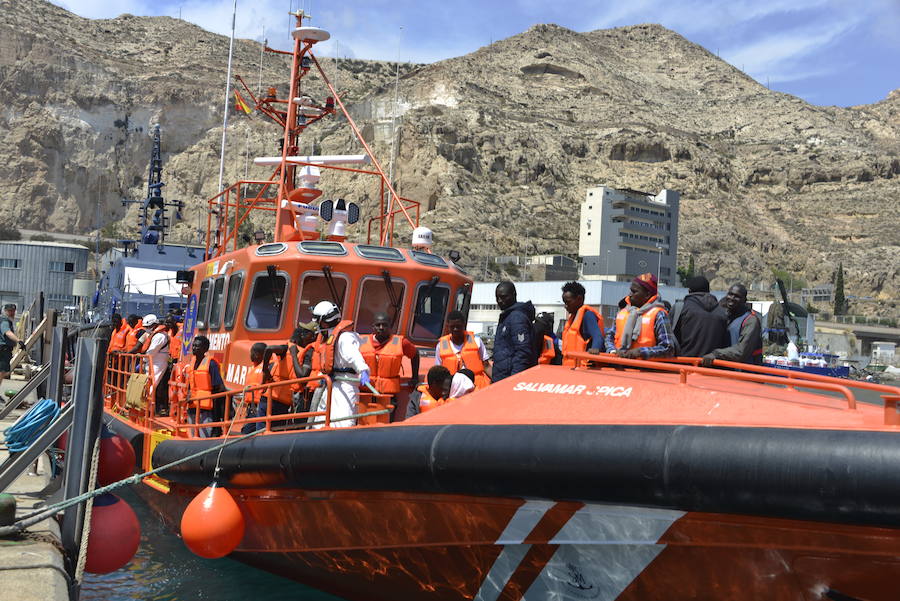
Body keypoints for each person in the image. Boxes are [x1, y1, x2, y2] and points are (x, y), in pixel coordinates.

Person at [311, 301, 370, 428]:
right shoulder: (329, 338)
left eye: (318, 322)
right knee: (320, 419)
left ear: (326, 321)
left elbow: (354, 356)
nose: (317, 325)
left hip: (346, 385)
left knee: (344, 420)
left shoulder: (345, 338)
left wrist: (363, 370)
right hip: (331, 383)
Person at [359, 311, 420, 416]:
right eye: (378, 325)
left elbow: (415, 355)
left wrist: (415, 377)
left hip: (388, 395)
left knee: (385, 424)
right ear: (373, 327)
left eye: (385, 325)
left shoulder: (401, 342)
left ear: (390, 326)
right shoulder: (360, 341)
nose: (381, 327)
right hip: (366, 392)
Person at [605, 273, 676, 359]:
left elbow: (668, 348)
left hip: (645, 369)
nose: (630, 295)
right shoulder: (623, 312)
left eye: (634, 292)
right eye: (630, 291)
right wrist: (612, 350)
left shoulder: (659, 314)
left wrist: (641, 352)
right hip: (619, 366)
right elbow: (609, 336)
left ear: (647, 295)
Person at [701, 284, 763, 366]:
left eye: (737, 296)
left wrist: (716, 354)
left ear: (744, 300)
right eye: (730, 294)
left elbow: (741, 351)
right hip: (724, 372)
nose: (732, 298)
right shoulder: (725, 316)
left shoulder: (750, 321)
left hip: (743, 374)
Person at [673, 276, 729, 357]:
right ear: (709, 291)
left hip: (684, 365)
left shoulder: (680, 307)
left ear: (689, 291)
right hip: (713, 366)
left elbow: (669, 338)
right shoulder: (723, 312)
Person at [183, 335, 227, 438]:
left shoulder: (211, 364)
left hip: (205, 408)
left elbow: (219, 387)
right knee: (192, 433)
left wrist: (217, 409)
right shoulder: (192, 362)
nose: (194, 348)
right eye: (193, 346)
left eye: (197, 346)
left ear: (205, 349)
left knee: (203, 434)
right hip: (192, 405)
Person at [491, 281, 536, 381]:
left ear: (514, 295)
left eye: (503, 297)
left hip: (509, 379)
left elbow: (522, 352)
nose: (499, 301)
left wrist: (513, 380)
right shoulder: (507, 317)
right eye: (497, 297)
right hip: (502, 377)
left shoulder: (517, 318)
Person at [435, 311, 490, 388]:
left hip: (477, 386)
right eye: (452, 326)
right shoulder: (440, 346)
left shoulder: (477, 341)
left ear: (464, 325)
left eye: (458, 326)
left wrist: (497, 381)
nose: (455, 329)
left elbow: (486, 366)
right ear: (448, 326)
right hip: (453, 388)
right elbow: (438, 371)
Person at [560, 281, 604, 365]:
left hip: (583, 369)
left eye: (568, 302)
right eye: (564, 303)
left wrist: (595, 349)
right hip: (570, 368)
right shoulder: (573, 318)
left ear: (579, 299)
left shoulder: (588, 316)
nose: (565, 306)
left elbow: (598, 336)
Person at [141, 314, 171, 416]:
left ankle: (149, 409)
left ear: (153, 325)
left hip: (158, 362)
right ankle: (146, 407)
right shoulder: (154, 334)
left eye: (147, 327)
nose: (146, 329)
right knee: (148, 384)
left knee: (152, 385)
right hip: (152, 362)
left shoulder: (160, 336)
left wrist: (143, 359)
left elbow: (151, 351)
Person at [0, 304, 25, 382]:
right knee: (2, 371)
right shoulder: (4, 321)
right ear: (5, 311)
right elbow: (7, 332)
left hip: (4, 349)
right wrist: (18, 340)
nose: (12, 313)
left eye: (13, 311)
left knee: (3, 372)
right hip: (3, 350)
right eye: (10, 311)